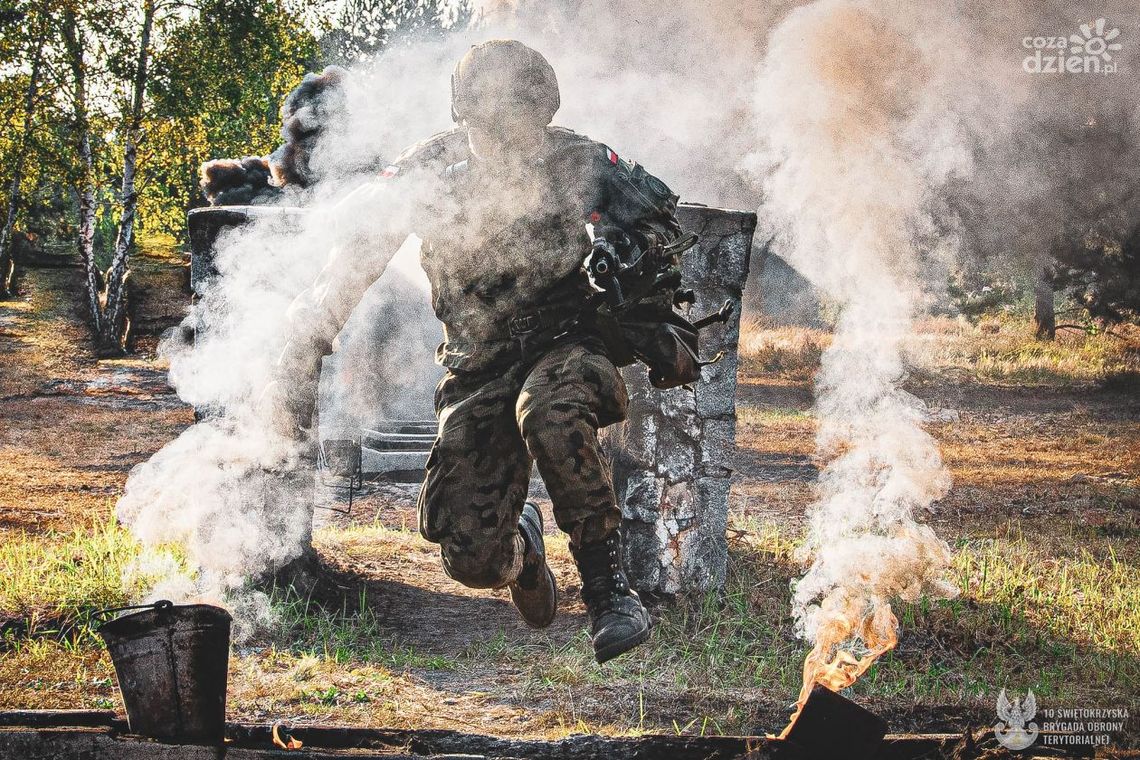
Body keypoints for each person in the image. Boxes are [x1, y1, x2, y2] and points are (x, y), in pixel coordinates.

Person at [268, 39, 682, 663]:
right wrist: (315, 323)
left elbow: (661, 224)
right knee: (471, 559)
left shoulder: (585, 161)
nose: (507, 133)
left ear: (544, 111)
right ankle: (520, 550)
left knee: (551, 411)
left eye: (521, 116)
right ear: (464, 115)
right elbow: (360, 250)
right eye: (491, 118)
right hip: (478, 361)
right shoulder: (428, 170)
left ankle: (607, 590)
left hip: (567, 340)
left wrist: (628, 253)